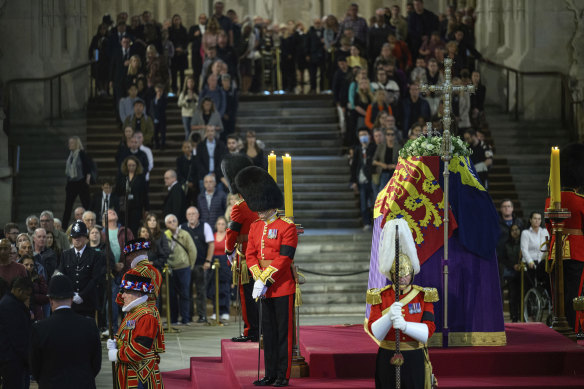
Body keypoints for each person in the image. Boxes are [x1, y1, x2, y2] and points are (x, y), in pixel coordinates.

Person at [236, 166, 298, 387]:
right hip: (262, 285)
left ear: (271, 204)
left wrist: (265, 278)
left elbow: (285, 258)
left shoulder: (286, 227)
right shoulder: (255, 227)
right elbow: (250, 254)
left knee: (283, 333)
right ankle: (270, 373)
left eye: (261, 207)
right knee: (268, 333)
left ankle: (283, 374)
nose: (258, 211)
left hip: (281, 286)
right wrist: (257, 277)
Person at [366, 218, 437, 389]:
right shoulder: (380, 296)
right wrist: (389, 316)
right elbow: (375, 332)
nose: (403, 277)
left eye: (406, 273)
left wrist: (405, 326)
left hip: (414, 356)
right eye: (399, 273)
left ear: (412, 272)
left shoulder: (423, 296)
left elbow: (428, 330)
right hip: (388, 354)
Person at [29, 275, 102, 388]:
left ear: (50, 300)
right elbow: (96, 364)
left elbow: (35, 366)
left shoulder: (39, 328)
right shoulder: (89, 325)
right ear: (72, 299)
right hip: (83, 384)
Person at [221, 154, 259, 342]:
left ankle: (251, 330)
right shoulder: (261, 203)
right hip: (264, 254)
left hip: (245, 255)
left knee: (247, 295)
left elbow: (231, 233)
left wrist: (228, 251)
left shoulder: (240, 207)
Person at [107, 269, 164, 389]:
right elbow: (126, 334)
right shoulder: (133, 313)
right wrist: (116, 342)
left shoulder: (146, 316)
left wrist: (118, 354)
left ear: (138, 294)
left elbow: (140, 348)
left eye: (127, 292)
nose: (122, 296)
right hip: (131, 369)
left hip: (140, 373)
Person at [552, 143, 584, 331]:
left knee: (558, 293)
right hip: (578, 250)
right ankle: (573, 327)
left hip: (555, 249)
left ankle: (559, 323)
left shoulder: (551, 200)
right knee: (574, 293)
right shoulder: (580, 201)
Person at [58, 220, 103, 318]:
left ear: (85, 237)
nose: (76, 239)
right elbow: (62, 276)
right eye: (74, 237)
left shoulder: (95, 255)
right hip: (70, 302)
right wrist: (71, 294)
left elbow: (95, 278)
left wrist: (82, 295)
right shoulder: (66, 255)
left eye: (79, 236)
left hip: (88, 302)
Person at [181, 207, 214, 323]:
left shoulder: (205, 226)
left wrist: (208, 261)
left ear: (198, 215)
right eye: (189, 214)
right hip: (185, 266)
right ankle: (188, 316)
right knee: (186, 291)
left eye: (193, 214)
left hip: (201, 265)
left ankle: (202, 316)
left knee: (201, 291)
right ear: (186, 216)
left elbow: (211, 244)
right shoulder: (182, 228)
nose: (191, 216)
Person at [164, 214, 197, 325]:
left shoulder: (184, 234)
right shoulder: (165, 235)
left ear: (177, 222)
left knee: (184, 294)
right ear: (166, 224)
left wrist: (190, 266)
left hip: (184, 267)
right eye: (170, 221)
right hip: (170, 268)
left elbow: (192, 250)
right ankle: (173, 319)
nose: (172, 223)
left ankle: (185, 318)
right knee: (172, 295)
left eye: (174, 220)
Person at [0, 276, 33, 388]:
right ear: (19, 290)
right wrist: (28, 358)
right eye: (27, 295)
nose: (27, 298)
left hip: (14, 358)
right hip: (12, 359)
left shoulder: (11, 302)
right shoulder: (9, 306)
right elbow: (17, 337)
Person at [350, 128, 376, 230]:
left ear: (369, 135)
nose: (363, 137)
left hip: (372, 179)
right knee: (364, 203)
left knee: (374, 202)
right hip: (361, 180)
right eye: (361, 135)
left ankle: (376, 223)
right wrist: (353, 181)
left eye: (364, 134)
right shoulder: (358, 149)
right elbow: (354, 166)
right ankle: (366, 223)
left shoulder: (374, 147)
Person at [63, 136, 92, 227]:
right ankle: (64, 226)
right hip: (71, 183)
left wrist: (87, 180)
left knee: (87, 204)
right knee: (68, 206)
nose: (69, 145)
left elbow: (88, 167)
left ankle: (91, 223)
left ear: (76, 144)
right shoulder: (70, 155)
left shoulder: (81, 154)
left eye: (71, 143)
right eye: (69, 143)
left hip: (81, 182)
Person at [117, 156, 148, 236]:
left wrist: (147, 208)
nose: (131, 167)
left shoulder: (141, 177)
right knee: (125, 228)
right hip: (124, 207)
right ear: (126, 166)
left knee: (135, 228)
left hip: (136, 207)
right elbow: (118, 191)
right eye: (129, 165)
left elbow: (144, 193)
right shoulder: (122, 177)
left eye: (133, 165)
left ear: (137, 166)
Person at [207, 217, 231, 321]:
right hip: (214, 262)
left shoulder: (228, 236)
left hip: (225, 263)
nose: (220, 226)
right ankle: (215, 311)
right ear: (216, 225)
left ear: (225, 225)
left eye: (222, 224)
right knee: (214, 288)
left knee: (224, 288)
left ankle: (225, 311)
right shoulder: (213, 236)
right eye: (219, 224)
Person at [521, 212, 550, 292]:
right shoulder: (525, 233)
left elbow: (548, 247)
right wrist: (530, 261)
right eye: (535, 218)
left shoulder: (545, 232)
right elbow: (524, 249)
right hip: (530, 262)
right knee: (530, 283)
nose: (537, 221)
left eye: (539, 219)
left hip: (542, 262)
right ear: (530, 220)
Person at [501, 224, 522, 322]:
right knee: (512, 295)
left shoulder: (523, 242)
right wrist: (513, 265)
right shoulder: (506, 244)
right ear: (510, 232)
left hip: (522, 272)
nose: (515, 231)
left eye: (517, 229)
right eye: (513, 230)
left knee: (521, 294)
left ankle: (522, 314)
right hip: (510, 273)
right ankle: (514, 316)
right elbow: (503, 259)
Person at [373, 127, 401, 194]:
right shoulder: (381, 146)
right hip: (383, 172)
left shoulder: (398, 147)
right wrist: (382, 164)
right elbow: (374, 161)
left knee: (394, 193)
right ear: (385, 136)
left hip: (395, 173)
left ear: (395, 136)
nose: (390, 136)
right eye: (388, 134)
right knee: (382, 192)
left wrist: (394, 166)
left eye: (392, 134)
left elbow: (402, 161)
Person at [20, 255, 49, 322]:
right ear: (21, 265)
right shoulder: (18, 278)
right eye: (26, 265)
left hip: (37, 312)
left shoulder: (39, 278)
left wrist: (32, 297)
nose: (29, 267)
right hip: (21, 310)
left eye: (31, 265)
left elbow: (46, 297)